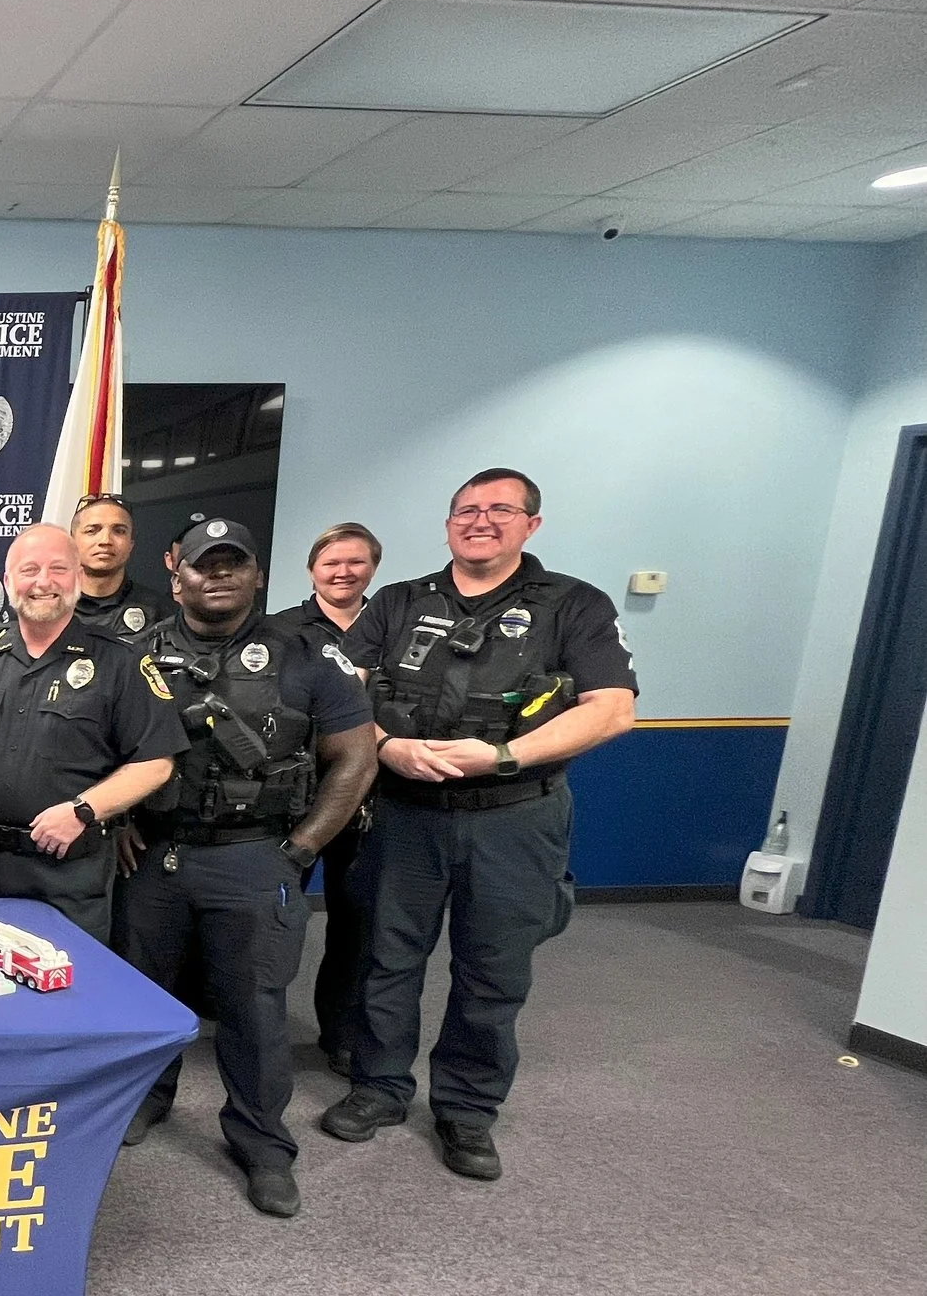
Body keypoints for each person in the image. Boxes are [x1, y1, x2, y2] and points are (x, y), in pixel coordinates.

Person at [329, 469, 638, 1181]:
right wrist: (384, 746)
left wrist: (503, 754)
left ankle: (467, 1108)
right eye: (466, 509)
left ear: (531, 524)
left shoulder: (573, 606)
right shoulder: (399, 603)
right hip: (405, 815)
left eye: (501, 509)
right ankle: (378, 1087)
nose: (481, 520)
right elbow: (340, 693)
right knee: (386, 957)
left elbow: (612, 708)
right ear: (447, 525)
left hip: (514, 816)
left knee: (493, 970)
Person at [112, 520, 378, 1218]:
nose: (219, 575)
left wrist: (303, 846)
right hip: (157, 855)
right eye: (205, 565)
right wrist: (115, 822)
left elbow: (355, 758)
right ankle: (145, 1099)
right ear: (178, 578)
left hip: (256, 855)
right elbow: (101, 750)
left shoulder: (306, 657)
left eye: (235, 564)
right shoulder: (134, 656)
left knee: (254, 1008)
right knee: (144, 998)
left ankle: (262, 1142)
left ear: (258, 575)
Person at [0, 524, 182, 942]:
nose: (43, 581)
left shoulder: (119, 662)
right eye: (29, 569)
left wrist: (83, 809)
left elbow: (155, 762)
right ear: (7, 581)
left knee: (70, 992)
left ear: (77, 578)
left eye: (58, 569)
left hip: (70, 873)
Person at [270, 521, 384, 1073]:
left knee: (356, 921)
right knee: (276, 913)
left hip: (369, 797)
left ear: (373, 569)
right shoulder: (281, 630)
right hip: (293, 798)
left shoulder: (393, 627)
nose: (343, 572)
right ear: (311, 568)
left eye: (355, 562)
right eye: (331, 562)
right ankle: (254, 1019)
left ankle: (339, 1032)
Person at [71, 492, 169, 643]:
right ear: (71, 542)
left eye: (119, 531)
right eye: (92, 530)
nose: (105, 540)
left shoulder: (162, 614)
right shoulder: (48, 608)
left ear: (131, 545)